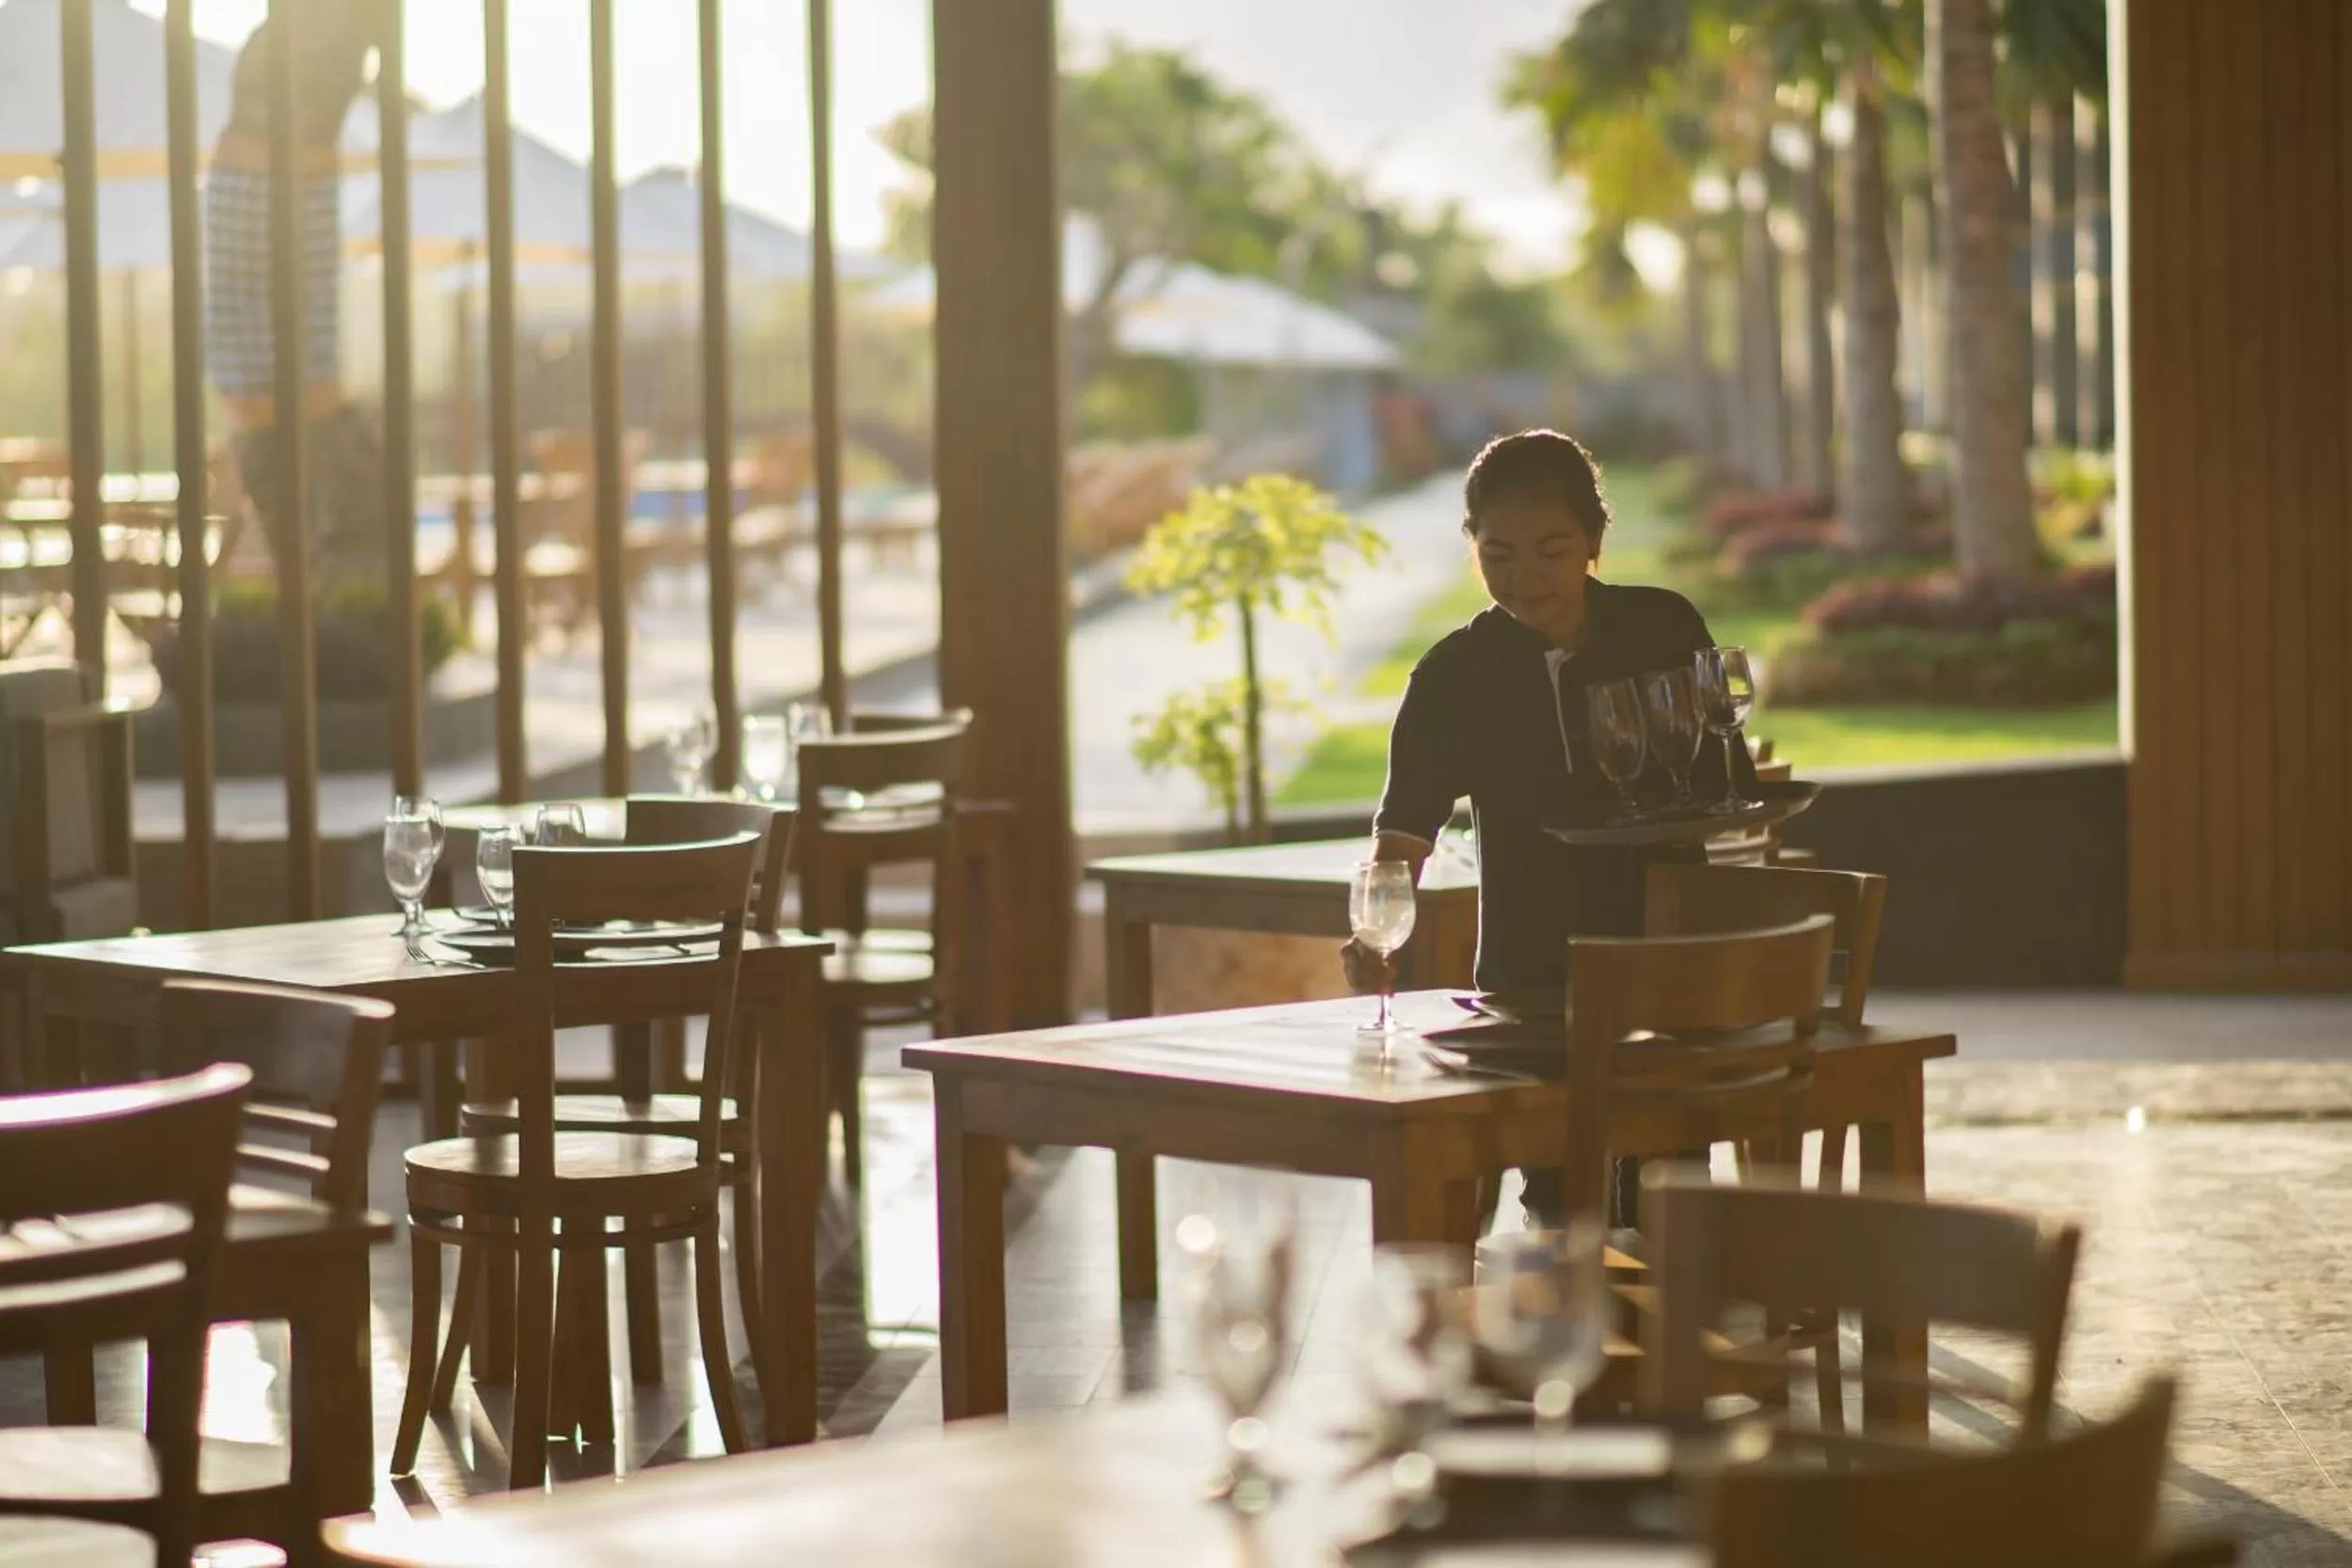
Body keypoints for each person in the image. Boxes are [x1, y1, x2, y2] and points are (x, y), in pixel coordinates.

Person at [1341, 428, 1756, 1223]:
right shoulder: (1454, 675)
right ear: (1471, 547)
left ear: (1595, 541)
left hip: (1669, 953)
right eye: (1498, 554)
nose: (1524, 579)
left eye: (1551, 551)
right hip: (1534, 975)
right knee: (1565, 1201)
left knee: (1670, 1189)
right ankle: (1574, 1323)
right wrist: (1374, 931)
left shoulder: (1661, 627)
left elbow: (1719, 775)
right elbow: (1403, 835)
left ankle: (1665, 1321)